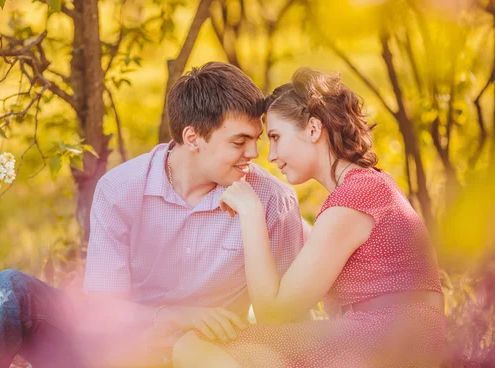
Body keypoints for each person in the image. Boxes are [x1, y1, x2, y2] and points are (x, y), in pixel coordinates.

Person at [0, 62, 308, 368]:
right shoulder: (121, 189)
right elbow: (103, 312)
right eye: (239, 142)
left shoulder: (271, 201)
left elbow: (290, 316)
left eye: (256, 140)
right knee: (11, 290)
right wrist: (176, 315)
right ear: (192, 138)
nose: (254, 155)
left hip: (200, 357)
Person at [173, 67, 446, 368]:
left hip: (385, 343)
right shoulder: (366, 187)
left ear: (314, 129)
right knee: (251, 353)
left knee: (194, 344)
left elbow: (273, 314)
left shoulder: (353, 199)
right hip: (393, 340)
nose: (271, 155)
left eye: (276, 137)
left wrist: (251, 213)